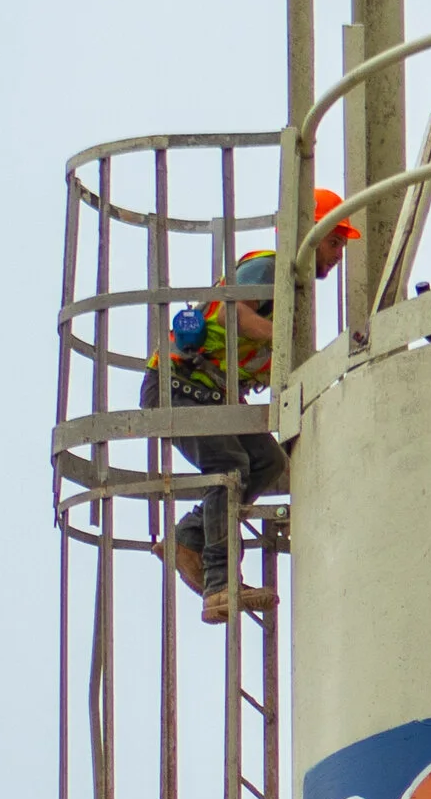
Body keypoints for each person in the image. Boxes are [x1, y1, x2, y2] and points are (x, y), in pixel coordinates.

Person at [144, 194, 356, 622]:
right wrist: (285, 343)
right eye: (334, 243)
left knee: (266, 459)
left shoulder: (286, 289)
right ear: (310, 236)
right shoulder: (270, 268)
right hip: (179, 386)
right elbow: (228, 315)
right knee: (231, 466)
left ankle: (187, 537)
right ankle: (220, 584)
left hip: (209, 392)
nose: (337, 256)